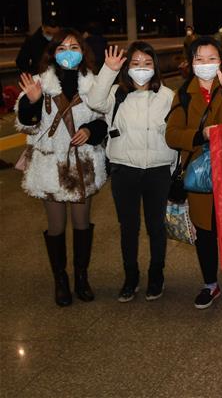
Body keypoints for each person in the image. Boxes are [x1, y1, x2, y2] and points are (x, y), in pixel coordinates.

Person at [15, 28, 108, 306]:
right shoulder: (39, 83)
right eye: (62, 48)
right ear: (53, 52)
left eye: (74, 47)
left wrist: (90, 131)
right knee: (56, 225)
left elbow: (104, 119)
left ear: (83, 51)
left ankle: (81, 277)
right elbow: (27, 125)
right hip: (50, 165)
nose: (68, 52)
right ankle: (60, 279)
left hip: (83, 164)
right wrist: (31, 102)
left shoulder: (94, 83)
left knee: (82, 223)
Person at [165, 37, 222, 309]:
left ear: (221, 61)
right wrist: (200, 135)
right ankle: (210, 284)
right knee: (205, 232)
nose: (205, 64)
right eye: (199, 59)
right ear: (191, 62)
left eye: (212, 59)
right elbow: (172, 135)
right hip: (200, 175)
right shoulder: (183, 94)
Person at [85, 43, 177, 302]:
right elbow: (94, 101)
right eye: (135, 63)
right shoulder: (116, 93)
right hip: (124, 169)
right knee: (128, 227)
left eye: (147, 63)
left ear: (155, 67)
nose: (141, 69)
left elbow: (175, 130)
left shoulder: (167, 96)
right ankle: (131, 276)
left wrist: (173, 166)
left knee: (156, 227)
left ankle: (156, 275)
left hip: (158, 169)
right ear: (127, 68)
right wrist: (108, 70)